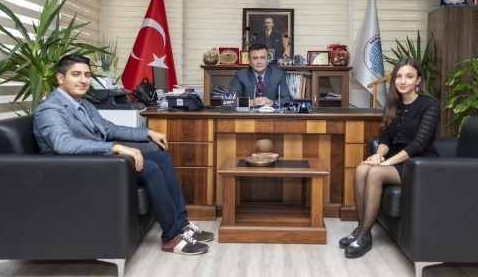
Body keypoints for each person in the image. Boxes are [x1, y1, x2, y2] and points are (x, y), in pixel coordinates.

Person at [33, 54, 213, 256]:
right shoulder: (51, 109)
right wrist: (114, 148)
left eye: (87, 75)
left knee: (162, 159)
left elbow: (109, 128)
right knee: (150, 168)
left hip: (99, 162)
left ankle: (182, 225)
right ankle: (172, 237)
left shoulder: (83, 104)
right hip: (77, 170)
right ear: (60, 78)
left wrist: (147, 133)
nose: (83, 80)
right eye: (76, 74)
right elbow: (63, 144)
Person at [340, 58, 440, 258]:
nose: (403, 81)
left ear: (418, 80)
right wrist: (378, 156)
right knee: (361, 169)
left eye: (409, 77)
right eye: (399, 76)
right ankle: (361, 229)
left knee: (375, 173)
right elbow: (385, 138)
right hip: (394, 161)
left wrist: (384, 164)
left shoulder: (430, 105)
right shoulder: (393, 104)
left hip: (419, 164)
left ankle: (365, 237)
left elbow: (418, 145)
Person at [228, 43, 293, 107]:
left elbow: (288, 99)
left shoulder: (278, 75)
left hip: (271, 113)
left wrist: (272, 102)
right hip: (249, 113)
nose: (259, 62)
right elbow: (230, 100)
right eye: (255, 58)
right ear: (249, 61)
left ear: (268, 60)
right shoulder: (241, 75)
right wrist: (250, 103)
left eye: (262, 58)